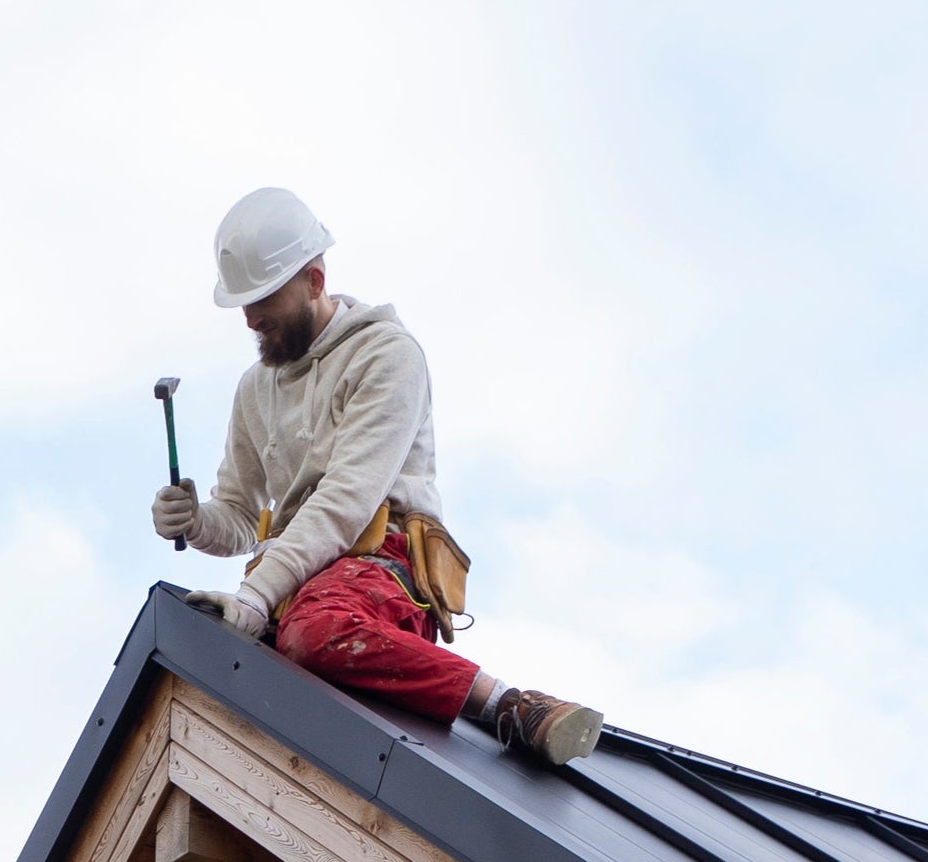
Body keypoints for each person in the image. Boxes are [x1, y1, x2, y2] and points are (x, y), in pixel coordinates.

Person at [152, 187, 607, 768]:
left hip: (379, 561)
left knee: (314, 634)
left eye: (264, 297)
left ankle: (509, 705)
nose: (249, 316)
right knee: (209, 671)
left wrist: (256, 596)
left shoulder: (387, 357)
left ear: (315, 280)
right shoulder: (255, 388)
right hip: (294, 575)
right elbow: (240, 516)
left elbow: (346, 503)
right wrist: (196, 521)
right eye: (242, 301)